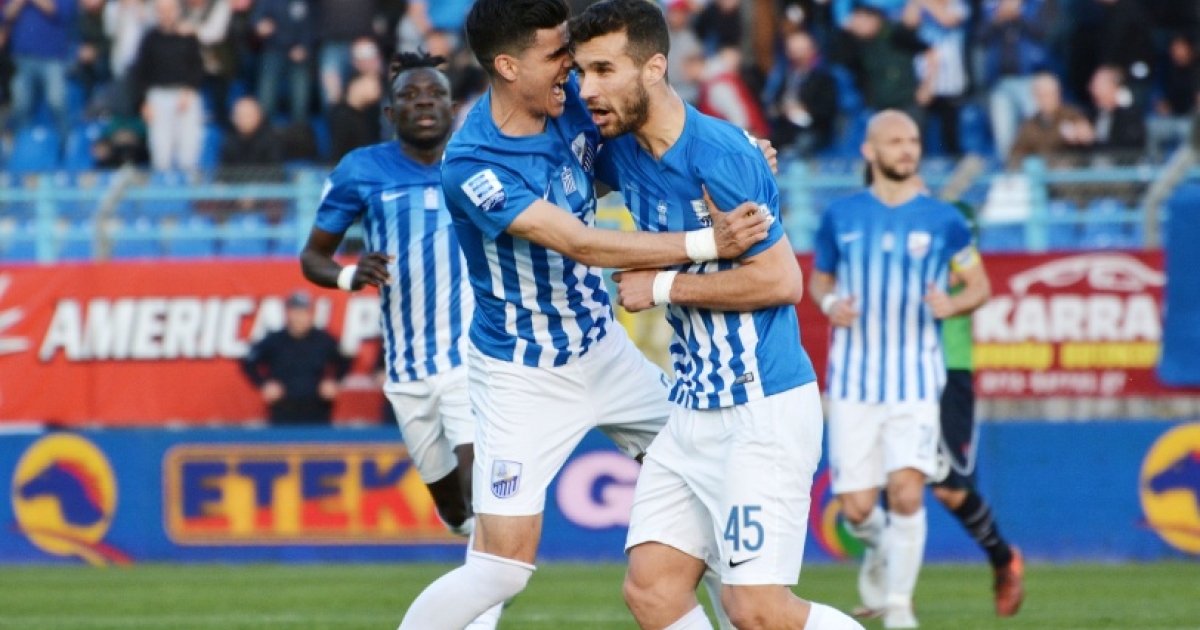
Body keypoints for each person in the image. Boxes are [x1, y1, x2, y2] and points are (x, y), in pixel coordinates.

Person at [395, 0, 772, 627]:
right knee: (500, 568)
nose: (571, 69)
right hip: (522, 375)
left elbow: (654, 138)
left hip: (605, 351)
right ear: (508, 66)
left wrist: (736, 154)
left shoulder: (571, 103)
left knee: (707, 492)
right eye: (556, 56)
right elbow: (580, 243)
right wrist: (709, 243)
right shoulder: (473, 162)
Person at [570, 2, 863, 629]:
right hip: (691, 408)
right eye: (581, 72)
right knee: (652, 590)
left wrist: (663, 285)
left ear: (654, 68)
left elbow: (782, 281)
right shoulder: (620, 150)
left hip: (760, 407)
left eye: (603, 70)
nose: (587, 88)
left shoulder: (721, 155)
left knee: (756, 610)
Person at [300, 51, 506, 629]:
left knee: (480, 486)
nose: (424, 104)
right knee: (455, 508)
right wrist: (349, 275)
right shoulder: (362, 170)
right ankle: (477, 545)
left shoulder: (479, 163)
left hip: (471, 358)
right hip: (408, 371)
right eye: (411, 97)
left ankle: (485, 600)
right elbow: (313, 256)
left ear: (452, 107)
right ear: (391, 113)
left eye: (434, 94)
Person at [808, 110, 991, 629]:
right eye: (895, 141)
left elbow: (978, 285)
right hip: (853, 383)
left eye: (912, 140)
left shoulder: (944, 219)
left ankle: (898, 607)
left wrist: (953, 304)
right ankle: (879, 548)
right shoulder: (840, 216)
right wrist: (830, 305)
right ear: (870, 151)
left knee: (908, 492)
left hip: (916, 380)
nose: (907, 148)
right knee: (856, 509)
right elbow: (820, 280)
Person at [930, 199, 1025, 618]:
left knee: (951, 490)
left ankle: (1003, 559)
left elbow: (972, 280)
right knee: (888, 484)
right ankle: (891, 594)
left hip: (949, 370)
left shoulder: (955, 230)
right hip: (899, 373)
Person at [240, 290, 350, 426]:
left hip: (317, 407)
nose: (300, 317)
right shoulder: (274, 340)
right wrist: (264, 384)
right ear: (288, 313)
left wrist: (335, 381)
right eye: (296, 312)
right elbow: (249, 362)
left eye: (304, 312)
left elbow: (345, 360)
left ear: (311, 314)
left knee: (317, 439)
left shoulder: (324, 340)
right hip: (283, 407)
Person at [131, 0, 204, 172]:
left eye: (169, 9)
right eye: (161, 10)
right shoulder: (149, 39)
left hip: (185, 95)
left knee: (188, 148)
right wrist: (143, 102)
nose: (165, 14)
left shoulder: (188, 37)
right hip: (158, 96)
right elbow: (140, 73)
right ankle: (162, 183)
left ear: (177, 11)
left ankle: (187, 182)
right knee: (160, 149)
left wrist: (189, 91)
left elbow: (197, 67)